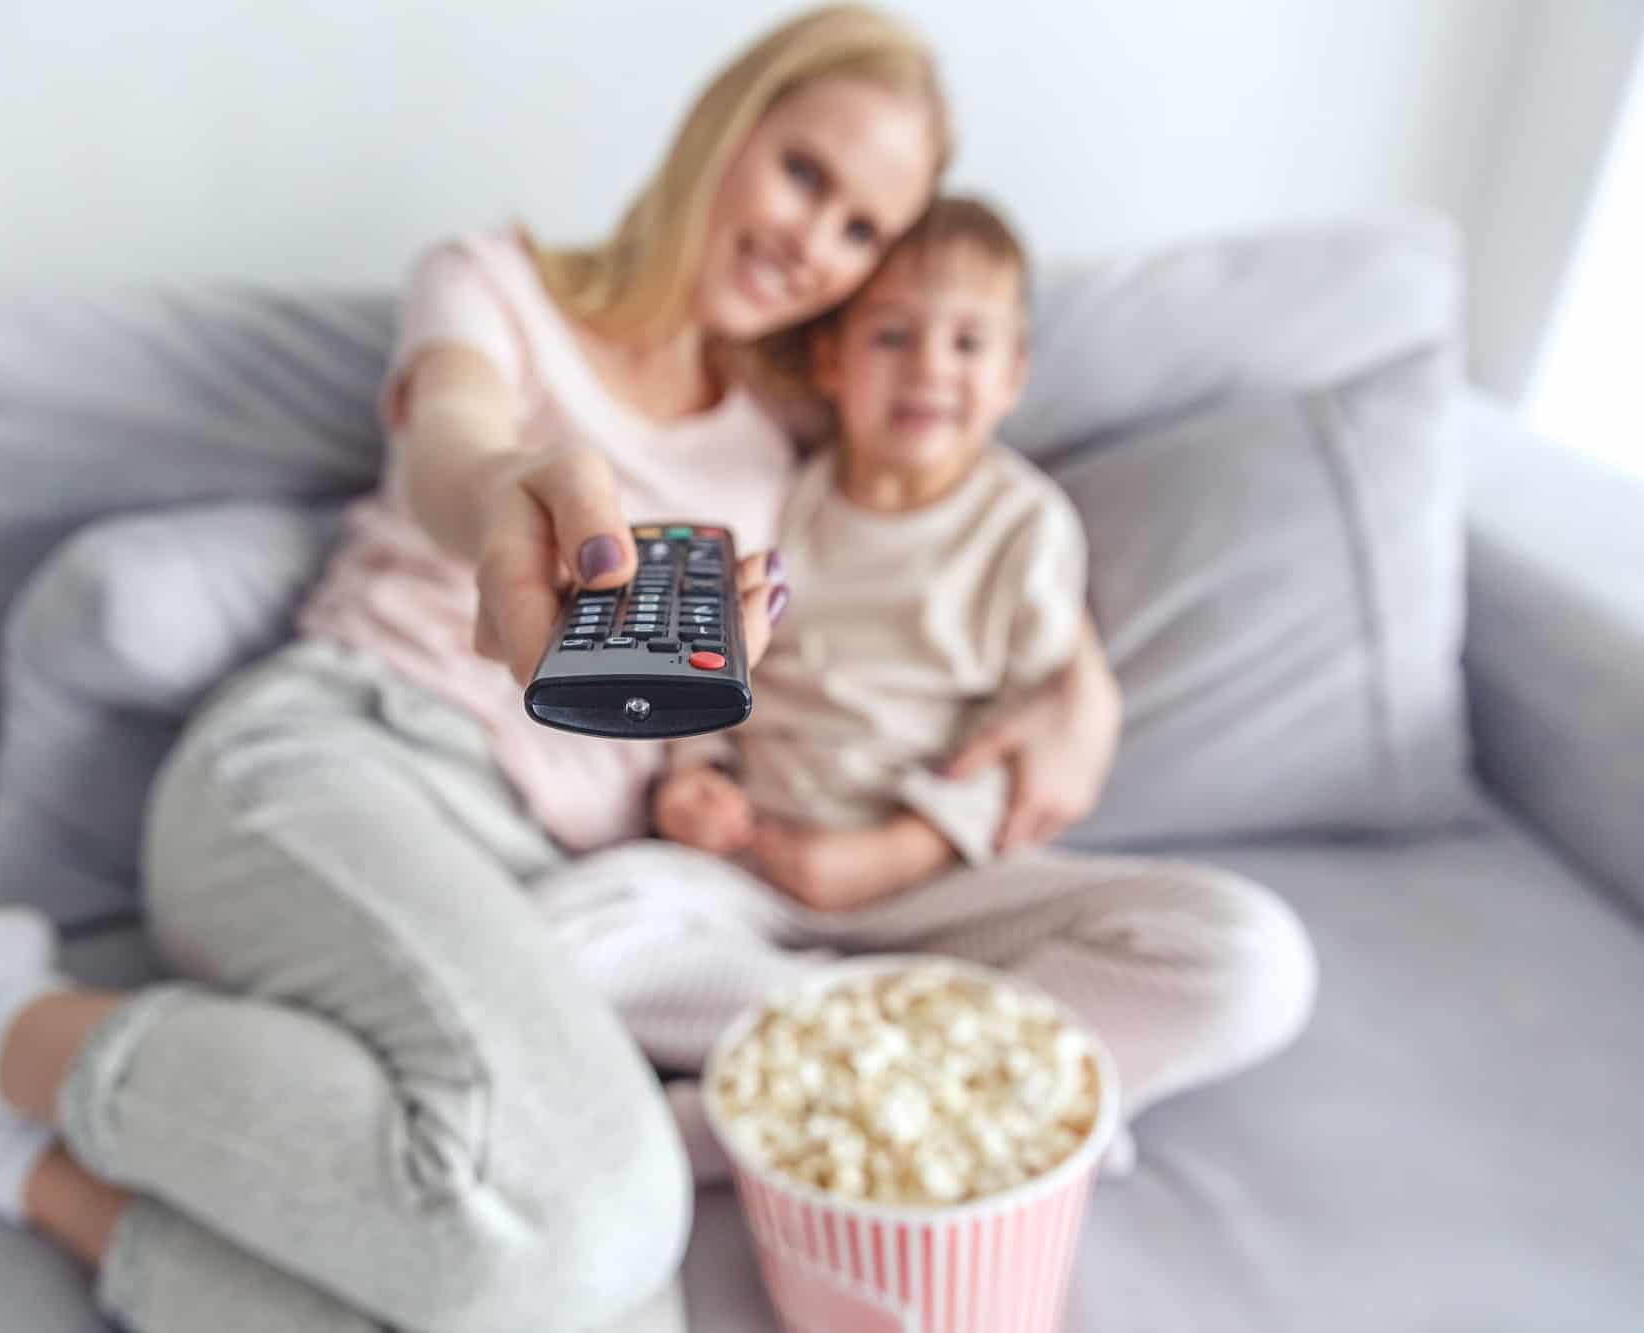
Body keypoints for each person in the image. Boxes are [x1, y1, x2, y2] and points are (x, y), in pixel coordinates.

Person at [0, 8, 968, 1333]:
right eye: (806, 173)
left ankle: (8, 1168)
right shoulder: (492, 282)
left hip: (534, 882)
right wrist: (509, 497)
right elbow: (452, 441)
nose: (815, 239)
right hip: (333, 759)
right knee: (602, 1218)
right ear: (726, 123)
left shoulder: (774, 457)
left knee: (596, 1309)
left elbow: (910, 569)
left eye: (861, 229)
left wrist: (713, 772)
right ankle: (3, 1035)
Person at [532, 196, 1318, 1180]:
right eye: (892, 336)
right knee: (554, 940)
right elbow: (703, 670)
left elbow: (1030, 727)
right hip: (750, 880)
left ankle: (764, 1109)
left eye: (967, 343)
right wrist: (693, 779)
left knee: (1251, 958)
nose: (929, 368)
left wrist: (902, 847)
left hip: (946, 889)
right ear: (829, 362)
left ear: (1012, 375)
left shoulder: (1022, 529)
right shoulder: (771, 502)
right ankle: (944, 1077)